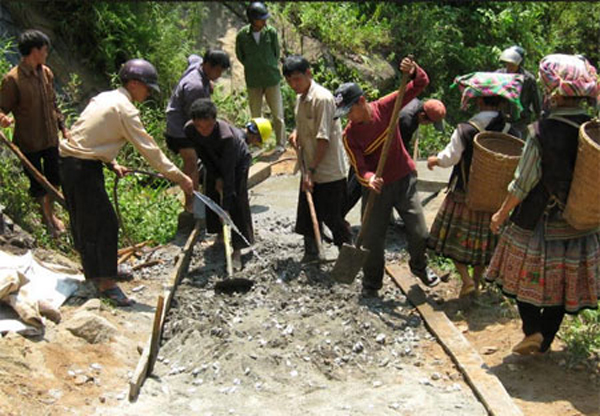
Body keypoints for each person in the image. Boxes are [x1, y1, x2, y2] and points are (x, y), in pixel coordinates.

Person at [487, 54, 600, 355]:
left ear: (555, 92)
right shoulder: (593, 129)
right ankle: (545, 339)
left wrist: (501, 213)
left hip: (540, 221)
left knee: (520, 277)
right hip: (579, 224)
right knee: (563, 288)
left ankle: (532, 331)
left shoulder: (541, 131)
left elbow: (523, 182)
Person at [59, 59, 194, 306]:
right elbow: (150, 151)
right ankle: (105, 283)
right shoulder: (125, 109)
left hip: (77, 163)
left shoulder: (105, 98)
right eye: (146, 87)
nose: (148, 92)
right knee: (103, 222)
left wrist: (111, 163)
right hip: (81, 166)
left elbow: (90, 135)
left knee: (91, 221)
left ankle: (102, 271)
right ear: (133, 83)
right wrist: (180, 177)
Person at [335, 56, 441, 297]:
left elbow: (420, 83)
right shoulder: (349, 136)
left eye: (349, 111)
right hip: (376, 189)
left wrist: (414, 69)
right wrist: (370, 178)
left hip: (404, 179)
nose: (347, 118)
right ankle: (372, 284)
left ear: (362, 101)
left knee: (419, 232)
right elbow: (359, 167)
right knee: (372, 241)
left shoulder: (386, 106)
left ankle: (419, 266)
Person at [426, 72, 521, 298]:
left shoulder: (466, 129)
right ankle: (476, 282)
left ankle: (466, 279)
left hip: (465, 195)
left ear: (479, 100)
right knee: (484, 246)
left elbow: (450, 158)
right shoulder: (512, 132)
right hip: (496, 200)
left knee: (454, 240)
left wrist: (434, 160)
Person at [0, 29, 68, 238]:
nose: (46, 53)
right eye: (44, 49)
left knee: (54, 178)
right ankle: (46, 218)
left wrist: (64, 128)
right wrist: (3, 118)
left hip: (50, 139)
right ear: (34, 51)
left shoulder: (46, 73)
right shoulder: (13, 79)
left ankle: (51, 213)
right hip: (29, 142)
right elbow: (1, 108)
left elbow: (53, 105)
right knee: (38, 184)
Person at [283, 55, 351, 261]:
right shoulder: (300, 98)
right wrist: (297, 133)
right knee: (306, 213)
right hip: (309, 163)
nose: (293, 85)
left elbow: (324, 139)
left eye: (297, 79)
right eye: (289, 81)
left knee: (332, 216)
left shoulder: (322, 99)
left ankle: (348, 254)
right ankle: (312, 253)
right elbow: (305, 124)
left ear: (308, 74)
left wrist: (311, 172)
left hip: (327, 169)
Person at [342, 98, 447, 219]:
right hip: (370, 154)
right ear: (422, 115)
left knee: (362, 187)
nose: (427, 125)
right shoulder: (406, 120)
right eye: (429, 122)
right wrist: (407, 167)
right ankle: (336, 222)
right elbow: (397, 149)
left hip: (373, 147)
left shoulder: (413, 103)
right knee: (354, 190)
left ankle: (386, 218)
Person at [184, 98, 254, 270]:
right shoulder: (190, 130)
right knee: (212, 192)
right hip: (213, 160)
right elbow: (203, 155)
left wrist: (227, 208)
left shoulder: (227, 137)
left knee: (236, 200)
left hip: (237, 162)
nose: (204, 131)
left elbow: (229, 174)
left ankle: (238, 249)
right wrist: (215, 177)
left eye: (208, 127)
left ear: (215, 121)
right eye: (199, 127)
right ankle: (220, 236)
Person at [165, 50, 231, 227]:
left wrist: (209, 82)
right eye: (218, 72)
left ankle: (195, 196)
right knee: (191, 163)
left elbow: (192, 57)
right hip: (180, 128)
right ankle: (191, 205)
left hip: (183, 121)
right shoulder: (195, 87)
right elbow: (199, 118)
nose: (219, 76)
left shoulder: (198, 64)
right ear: (209, 66)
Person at [235, 2, 285, 150]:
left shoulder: (271, 33)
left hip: (271, 79)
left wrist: (267, 65)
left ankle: (280, 144)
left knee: (278, 114)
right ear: (252, 19)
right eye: (261, 19)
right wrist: (253, 66)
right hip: (253, 80)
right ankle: (256, 143)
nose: (264, 21)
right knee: (256, 115)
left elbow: (276, 53)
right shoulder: (243, 36)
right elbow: (240, 55)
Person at [497, 45, 542, 137]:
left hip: (521, 120)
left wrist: (539, 117)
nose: (509, 67)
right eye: (507, 63)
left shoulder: (528, 79)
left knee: (518, 145)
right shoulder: (499, 74)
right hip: (502, 118)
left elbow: (535, 100)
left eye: (512, 64)